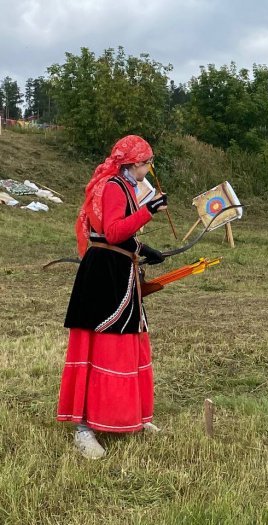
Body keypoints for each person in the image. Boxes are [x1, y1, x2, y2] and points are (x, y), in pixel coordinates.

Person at [56, 135, 169, 459]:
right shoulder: (115, 186)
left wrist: (145, 249)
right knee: (100, 345)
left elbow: (120, 236)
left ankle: (131, 416)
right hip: (104, 277)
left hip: (118, 272)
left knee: (127, 343)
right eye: (147, 162)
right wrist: (150, 210)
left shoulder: (122, 186)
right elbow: (114, 232)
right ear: (133, 163)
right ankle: (84, 428)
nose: (149, 168)